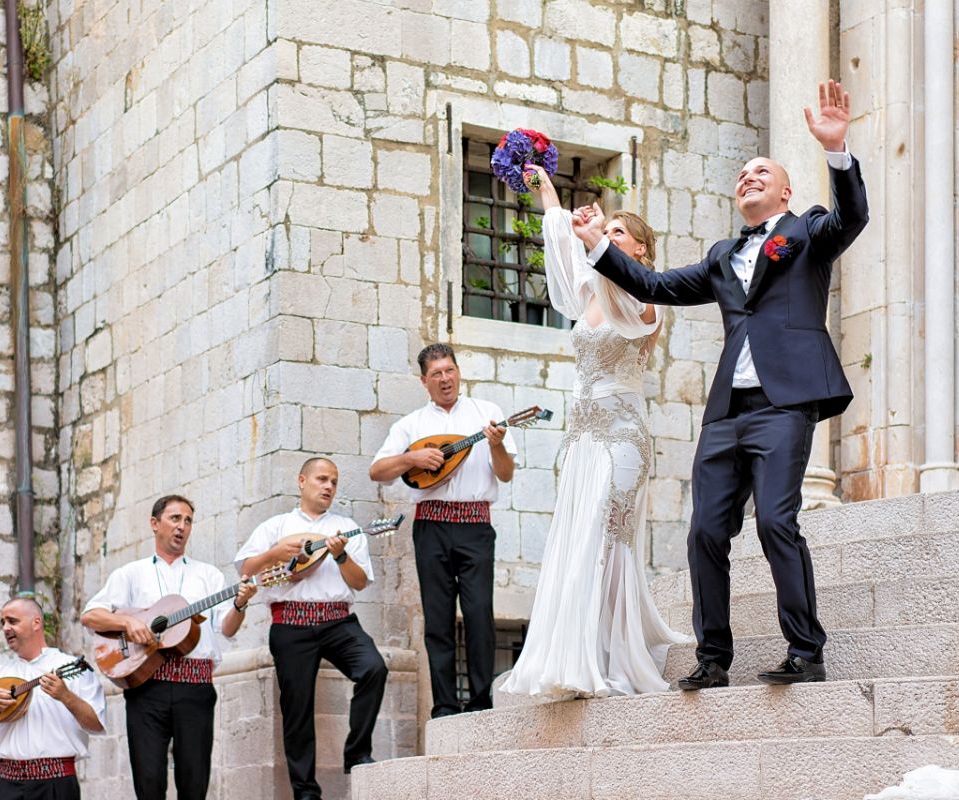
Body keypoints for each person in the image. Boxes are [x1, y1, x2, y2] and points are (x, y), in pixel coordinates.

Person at [581, 79, 868, 689]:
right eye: (741, 173)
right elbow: (655, 286)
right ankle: (713, 659)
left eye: (761, 170)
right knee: (705, 532)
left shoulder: (809, 232)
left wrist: (837, 151)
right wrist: (595, 247)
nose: (748, 177)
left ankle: (806, 651)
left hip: (784, 405)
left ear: (787, 190)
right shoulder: (720, 255)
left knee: (774, 523)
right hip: (726, 413)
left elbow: (852, 217)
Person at [498, 163, 691, 700]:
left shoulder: (646, 299)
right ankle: (574, 651)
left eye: (617, 234)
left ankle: (609, 655)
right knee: (577, 538)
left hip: (622, 436)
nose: (605, 241)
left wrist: (598, 242)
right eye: (604, 234)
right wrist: (547, 190)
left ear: (642, 252)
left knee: (608, 537)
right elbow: (563, 251)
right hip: (582, 437)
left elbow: (628, 308)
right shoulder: (588, 294)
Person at [369, 344, 517, 718]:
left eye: (450, 370)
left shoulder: (488, 414)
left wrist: (497, 446)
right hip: (431, 525)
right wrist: (411, 458)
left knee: (480, 612)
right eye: (436, 373)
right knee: (437, 618)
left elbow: (505, 472)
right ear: (424, 380)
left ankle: (482, 701)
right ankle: (445, 706)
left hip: (475, 524)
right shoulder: (411, 425)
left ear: (458, 372)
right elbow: (378, 471)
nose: (445, 378)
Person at [80, 495, 256, 800]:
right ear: (154, 524)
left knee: (195, 782)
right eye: (175, 518)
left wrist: (240, 604)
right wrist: (126, 624)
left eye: (188, 521)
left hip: (195, 686)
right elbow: (90, 615)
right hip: (147, 687)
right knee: (148, 782)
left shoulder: (209, 575)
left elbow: (226, 630)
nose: (182, 526)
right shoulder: (130, 574)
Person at [235, 457, 387, 800]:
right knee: (297, 708)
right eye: (321, 479)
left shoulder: (346, 528)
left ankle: (357, 753)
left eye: (333, 481)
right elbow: (245, 568)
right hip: (290, 623)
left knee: (373, 668)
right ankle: (306, 792)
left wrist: (342, 556)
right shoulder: (276, 526)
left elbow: (361, 583)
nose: (328, 486)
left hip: (338, 621)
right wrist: (274, 551)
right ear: (302, 481)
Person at [0, 597, 106, 799]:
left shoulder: (71, 666)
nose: (5, 628)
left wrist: (66, 696)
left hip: (56, 784)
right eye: (2, 622)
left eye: (12, 621)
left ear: (36, 622)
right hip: (7, 785)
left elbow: (97, 725)